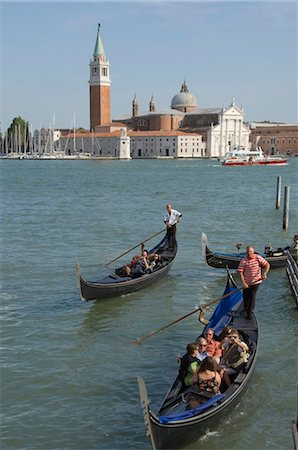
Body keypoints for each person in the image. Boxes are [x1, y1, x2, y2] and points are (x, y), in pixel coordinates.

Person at [237, 245, 270, 319]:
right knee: (245, 297)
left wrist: (264, 273)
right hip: (247, 282)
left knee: (252, 297)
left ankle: (249, 314)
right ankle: (246, 309)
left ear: (253, 252)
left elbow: (267, 265)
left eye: (250, 252)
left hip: (256, 282)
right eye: (247, 252)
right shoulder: (244, 260)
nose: (249, 254)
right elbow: (240, 272)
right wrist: (243, 283)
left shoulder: (258, 257)